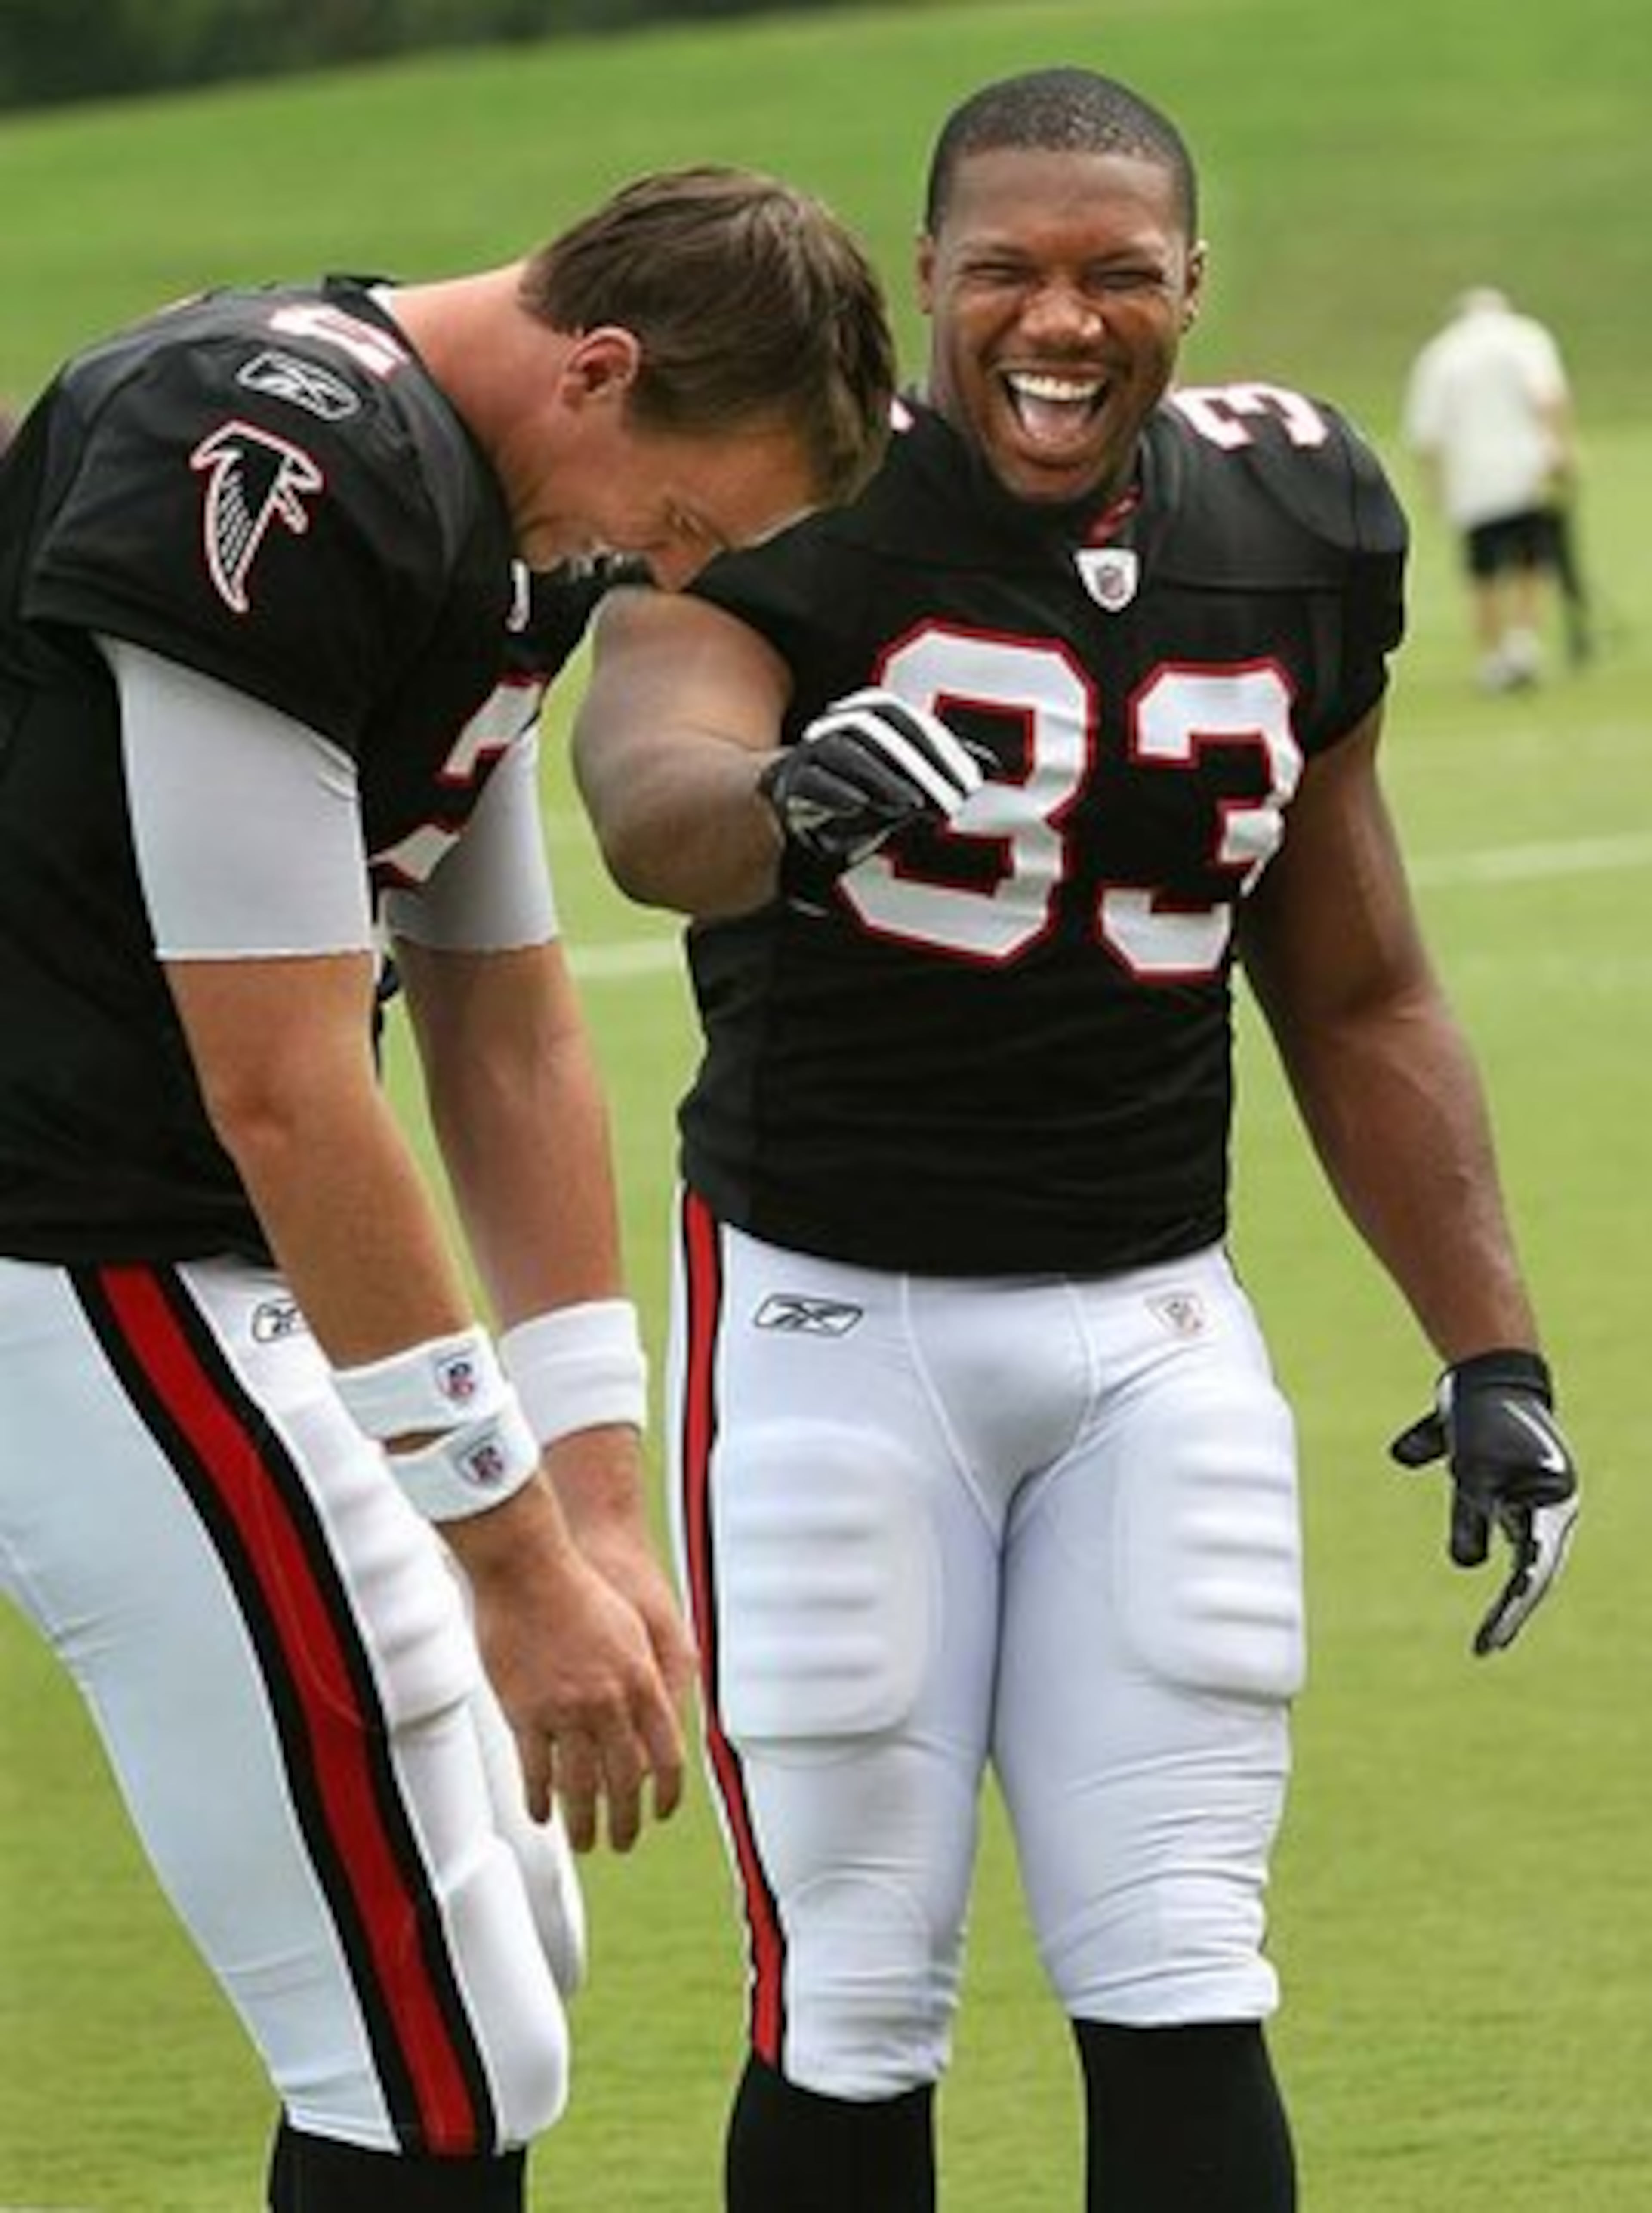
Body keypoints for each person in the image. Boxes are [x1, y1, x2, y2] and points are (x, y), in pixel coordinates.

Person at [570, 71, 1581, 2213]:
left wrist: (1494, 1346)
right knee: (855, 1983)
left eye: (1120, 273)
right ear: (924, 272)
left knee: (1187, 1958)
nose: (1064, 317)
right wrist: (789, 805)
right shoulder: (793, 501)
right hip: (838, 1322)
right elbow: (650, 788)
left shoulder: (1295, 516)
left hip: (1156, 1329)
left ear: (1192, 288)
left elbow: (1360, 974)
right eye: (1009, 268)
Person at [0, 166, 894, 2213]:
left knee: (507, 1950)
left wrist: (595, 1488)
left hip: (199, 1255)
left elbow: (502, 1006)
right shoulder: (279, 445)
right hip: (78, 1251)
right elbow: (288, 1081)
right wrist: (508, 1562)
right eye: (679, 522)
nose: (657, 567)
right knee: (433, 2049)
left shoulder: (489, 511)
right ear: (597, 368)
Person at [1403, 284, 1583, 690]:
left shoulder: (1442, 353)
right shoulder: (1527, 337)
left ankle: (1493, 656)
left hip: (1473, 480)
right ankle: (1524, 643)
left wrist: (1434, 486)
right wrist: (1564, 450)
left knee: (1483, 572)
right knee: (1530, 560)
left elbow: (1427, 430)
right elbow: (1550, 397)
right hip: (1528, 468)